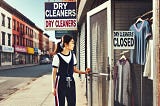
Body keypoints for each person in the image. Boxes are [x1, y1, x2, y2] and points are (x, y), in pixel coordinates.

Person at [52, 35, 90, 106]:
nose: (73, 45)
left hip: (71, 82)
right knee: (61, 104)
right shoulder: (57, 57)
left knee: (72, 103)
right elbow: (54, 73)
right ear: (66, 44)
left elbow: (74, 69)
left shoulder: (73, 55)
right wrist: (53, 87)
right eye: (72, 42)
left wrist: (84, 72)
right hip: (60, 83)